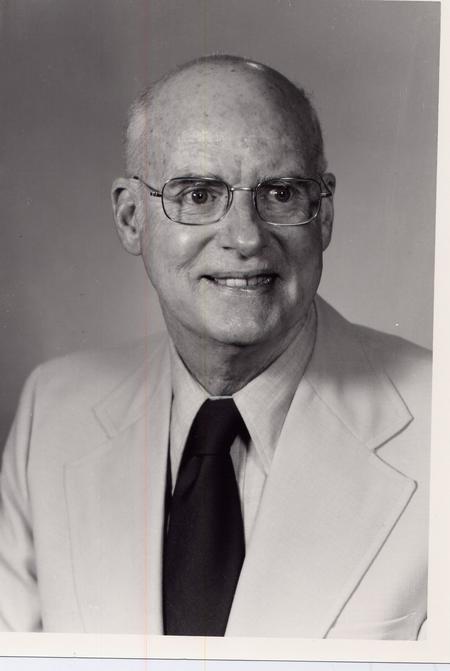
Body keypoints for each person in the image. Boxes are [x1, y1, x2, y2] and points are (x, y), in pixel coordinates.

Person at [0, 55, 431, 639]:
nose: (246, 237)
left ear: (324, 214)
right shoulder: (52, 414)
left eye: (280, 192)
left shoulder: (438, 425)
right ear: (131, 218)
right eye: (199, 194)